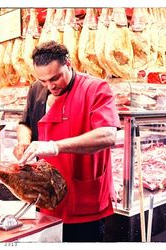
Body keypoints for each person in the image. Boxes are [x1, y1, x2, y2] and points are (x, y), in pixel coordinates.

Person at [13, 40, 121, 242]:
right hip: (46, 195)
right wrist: (23, 142)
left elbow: (108, 135)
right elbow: (25, 123)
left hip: (83, 198)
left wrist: (54, 146)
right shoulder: (37, 88)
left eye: (55, 78)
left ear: (68, 64)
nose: (49, 85)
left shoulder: (96, 88)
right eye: (43, 80)